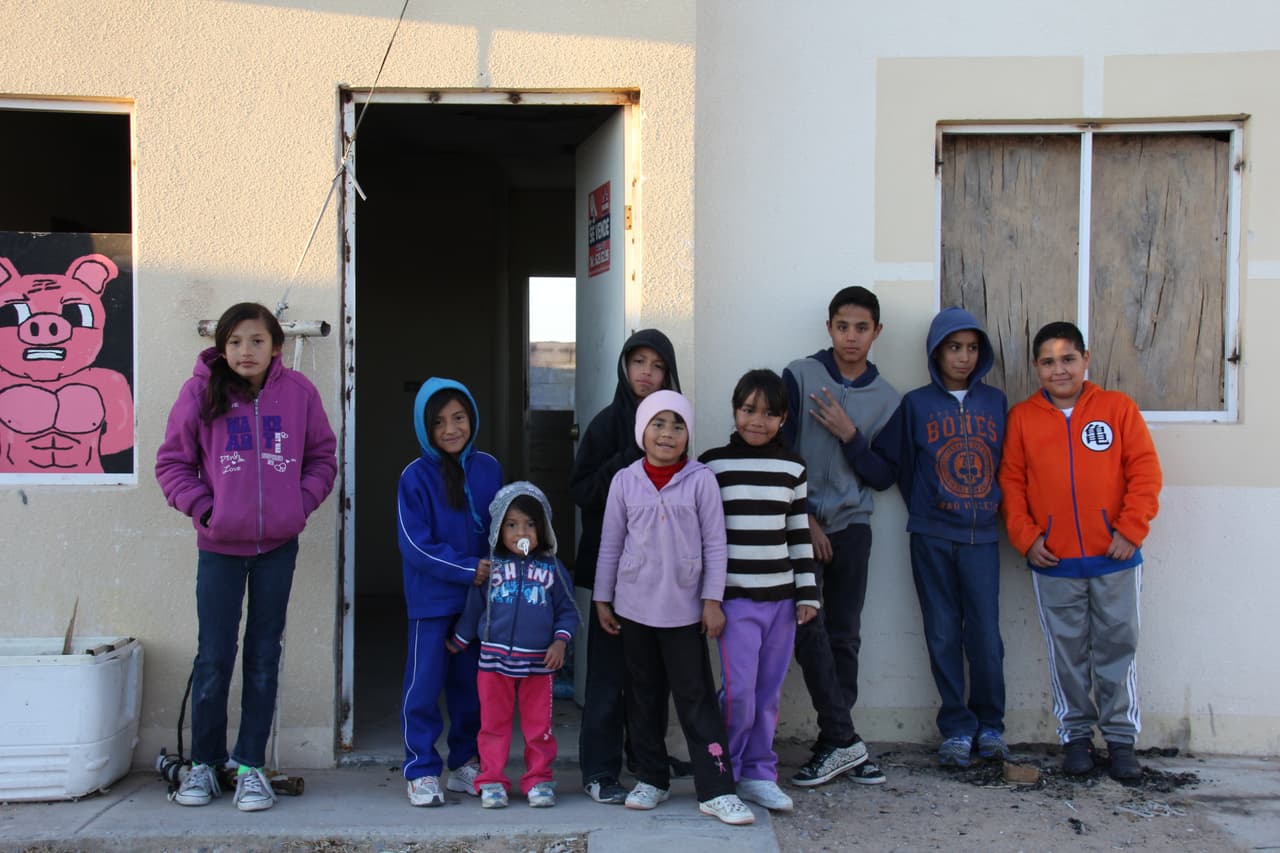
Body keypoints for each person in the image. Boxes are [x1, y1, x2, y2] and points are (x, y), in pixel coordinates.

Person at [156, 302, 337, 812]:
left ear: (275, 347)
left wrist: (298, 506)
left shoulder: (298, 394)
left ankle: (250, 764)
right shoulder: (199, 392)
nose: (244, 351)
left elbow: (323, 456)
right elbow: (172, 463)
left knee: (263, 657)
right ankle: (205, 766)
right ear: (221, 348)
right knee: (213, 659)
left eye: (256, 340)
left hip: (278, 548)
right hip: (219, 550)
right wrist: (205, 510)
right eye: (234, 341)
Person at [998, 321, 1161, 782]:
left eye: (1068, 359)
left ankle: (1122, 741)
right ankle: (1076, 739)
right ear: (1036, 368)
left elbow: (1145, 473)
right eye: (1048, 362)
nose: (1059, 369)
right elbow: (1011, 482)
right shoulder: (1024, 418)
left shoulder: (1117, 409)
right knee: (1067, 654)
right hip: (1055, 563)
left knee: (1118, 648)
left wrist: (1131, 529)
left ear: (1085, 360)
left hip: (1116, 558)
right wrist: (1027, 538)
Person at [593, 390, 755, 826]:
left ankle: (717, 788)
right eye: (658, 424)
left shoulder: (701, 479)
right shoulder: (625, 481)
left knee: (696, 698)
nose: (667, 434)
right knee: (643, 698)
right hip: (634, 609)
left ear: (688, 434)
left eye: (677, 425)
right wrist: (603, 599)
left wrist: (712, 601)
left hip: (685, 613)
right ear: (641, 431)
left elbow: (716, 544)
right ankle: (652, 778)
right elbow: (610, 544)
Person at [871, 307, 1008, 768]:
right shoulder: (915, 405)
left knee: (985, 636)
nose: (963, 357)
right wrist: (927, 506)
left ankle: (991, 726)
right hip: (930, 535)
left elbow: (1010, 465)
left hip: (983, 537)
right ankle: (956, 728)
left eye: (971, 348)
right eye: (954, 347)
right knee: (943, 633)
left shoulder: (996, 404)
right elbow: (897, 466)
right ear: (935, 352)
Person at [781, 285, 899, 787]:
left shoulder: (888, 398)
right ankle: (844, 739)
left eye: (862, 328)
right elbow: (779, 452)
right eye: (843, 326)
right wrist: (804, 516)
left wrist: (850, 434)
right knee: (804, 628)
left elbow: (883, 474)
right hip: (800, 525)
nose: (852, 337)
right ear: (829, 328)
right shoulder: (799, 375)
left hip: (852, 527)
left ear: (877, 332)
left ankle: (836, 741)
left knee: (844, 635)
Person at [571, 329, 687, 804]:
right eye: (637, 361)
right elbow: (581, 492)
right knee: (608, 675)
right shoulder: (606, 424)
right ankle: (599, 771)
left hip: (662, 577)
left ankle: (646, 760)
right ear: (624, 367)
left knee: (652, 674)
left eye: (657, 365)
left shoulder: (675, 423)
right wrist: (629, 457)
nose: (646, 372)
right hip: (613, 573)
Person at [698, 369, 820, 813]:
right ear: (734, 411)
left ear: (783, 418)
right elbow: (706, 537)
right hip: (735, 602)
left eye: (769, 413)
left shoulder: (793, 467)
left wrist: (807, 595)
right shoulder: (712, 465)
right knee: (739, 693)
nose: (757, 421)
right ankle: (721, 773)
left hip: (782, 603)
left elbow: (798, 535)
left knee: (768, 694)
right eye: (749, 410)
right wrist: (708, 600)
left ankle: (759, 773)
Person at [397, 378, 503, 806]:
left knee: (473, 686)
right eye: (438, 422)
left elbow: (504, 527)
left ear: (472, 419)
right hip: (432, 601)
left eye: (459, 418)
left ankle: (465, 764)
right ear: (426, 428)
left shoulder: (489, 468)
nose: (451, 429)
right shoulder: (415, 476)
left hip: (479, 602)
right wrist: (466, 569)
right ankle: (421, 769)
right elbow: (414, 543)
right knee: (423, 685)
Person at [448, 482, 578, 809]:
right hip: (493, 663)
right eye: (512, 524)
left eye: (530, 524)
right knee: (493, 725)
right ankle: (491, 779)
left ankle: (538, 779)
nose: (521, 531)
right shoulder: (491, 567)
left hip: (538, 664)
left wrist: (561, 643)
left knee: (539, 728)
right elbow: (475, 607)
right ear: (498, 530)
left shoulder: (553, 569)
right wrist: (460, 640)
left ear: (543, 528)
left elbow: (568, 611)